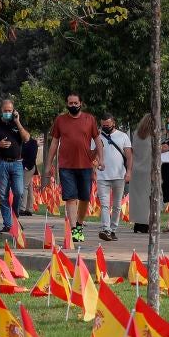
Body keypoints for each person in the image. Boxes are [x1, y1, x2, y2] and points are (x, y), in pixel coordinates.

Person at [45, 93, 104, 243]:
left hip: (85, 165)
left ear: (81, 103)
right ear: (67, 104)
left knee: (84, 198)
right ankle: (74, 229)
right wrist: (49, 164)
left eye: (75, 103)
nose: (73, 105)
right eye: (70, 103)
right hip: (66, 166)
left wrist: (101, 159)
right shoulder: (60, 120)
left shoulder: (89, 119)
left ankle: (79, 224)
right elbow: (54, 142)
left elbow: (97, 140)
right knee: (70, 197)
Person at [0, 99, 30, 233]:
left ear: (14, 111)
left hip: (17, 163)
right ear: (1, 111)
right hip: (1, 162)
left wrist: (18, 122)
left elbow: (26, 138)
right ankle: (8, 224)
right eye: (6, 111)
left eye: (10, 111)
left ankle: (15, 217)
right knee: (3, 194)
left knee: (19, 191)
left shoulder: (17, 123)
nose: (8, 113)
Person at [90, 114, 132, 241]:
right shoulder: (96, 137)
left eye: (107, 125)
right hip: (103, 176)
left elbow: (129, 156)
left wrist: (129, 172)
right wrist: (94, 166)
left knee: (117, 205)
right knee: (104, 205)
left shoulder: (123, 136)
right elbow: (92, 156)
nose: (105, 127)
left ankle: (113, 229)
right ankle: (105, 229)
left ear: (113, 123)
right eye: (103, 125)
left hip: (119, 176)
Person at [128, 113, 154, 233]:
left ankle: (137, 224)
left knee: (137, 199)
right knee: (147, 198)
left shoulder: (136, 134)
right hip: (148, 169)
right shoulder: (153, 136)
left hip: (136, 170)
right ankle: (146, 224)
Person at [19, 136, 38, 216]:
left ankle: (22, 208)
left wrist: (27, 166)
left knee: (24, 187)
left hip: (29, 167)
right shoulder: (22, 142)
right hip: (24, 166)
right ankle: (29, 209)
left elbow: (33, 156)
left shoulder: (32, 142)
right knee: (29, 188)